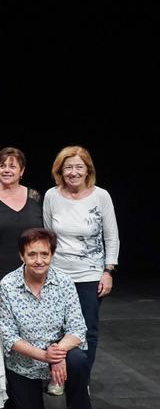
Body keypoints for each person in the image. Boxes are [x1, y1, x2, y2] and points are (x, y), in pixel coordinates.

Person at [0, 228, 94, 409]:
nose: (39, 260)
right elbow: (9, 336)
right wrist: (44, 356)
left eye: (44, 254)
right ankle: (16, 398)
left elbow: (77, 329)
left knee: (78, 360)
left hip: (58, 354)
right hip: (25, 363)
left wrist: (57, 354)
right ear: (22, 256)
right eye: (32, 254)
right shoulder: (9, 285)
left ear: (52, 255)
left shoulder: (64, 282)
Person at [0, 147, 43, 401]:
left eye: (13, 166)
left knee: (27, 330)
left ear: (22, 171)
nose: (7, 170)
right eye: (3, 165)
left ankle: (28, 381)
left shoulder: (35, 197)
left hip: (31, 278)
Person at [43, 146, 119, 378]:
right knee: (55, 329)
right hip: (57, 274)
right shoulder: (51, 196)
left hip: (90, 275)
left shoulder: (101, 196)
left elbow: (111, 235)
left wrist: (108, 270)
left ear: (88, 171)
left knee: (87, 331)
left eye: (78, 167)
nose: (73, 172)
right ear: (60, 171)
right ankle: (57, 376)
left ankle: (81, 379)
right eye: (68, 167)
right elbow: (48, 236)